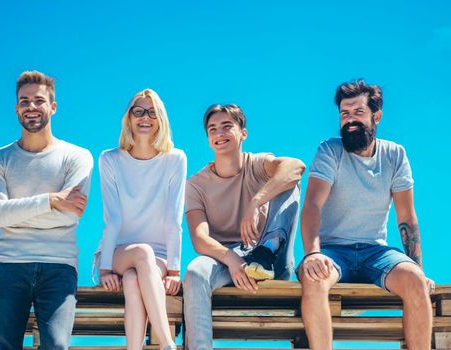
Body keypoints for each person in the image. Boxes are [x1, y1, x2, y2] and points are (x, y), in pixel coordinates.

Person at [299, 80, 435, 350]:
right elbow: (313, 204)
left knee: (415, 281)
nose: (350, 120)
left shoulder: (395, 155)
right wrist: (313, 253)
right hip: (332, 251)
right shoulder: (330, 150)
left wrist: (418, 270)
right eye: (344, 114)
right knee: (313, 279)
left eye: (358, 113)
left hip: (377, 252)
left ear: (377, 116)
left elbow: (406, 217)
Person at [0, 71, 93, 349]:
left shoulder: (77, 156)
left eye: (39, 101)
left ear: (53, 107)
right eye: (24, 101)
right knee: (2, 346)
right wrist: (52, 199)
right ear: (16, 107)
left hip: (59, 266)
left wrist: (15, 213)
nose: (31, 106)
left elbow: (70, 214)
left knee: (56, 345)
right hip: (8, 265)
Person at [183, 103, 305, 349]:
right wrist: (231, 259)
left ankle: (265, 253)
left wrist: (256, 201)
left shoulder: (257, 164)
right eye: (213, 130)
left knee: (288, 181)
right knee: (195, 272)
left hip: (272, 258)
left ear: (243, 133)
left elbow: (296, 166)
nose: (220, 134)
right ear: (208, 139)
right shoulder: (195, 185)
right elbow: (199, 239)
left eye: (227, 127)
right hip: (229, 262)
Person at [94, 89, 185, 350]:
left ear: (161, 120)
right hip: (117, 254)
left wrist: (174, 269)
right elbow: (113, 218)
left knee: (134, 281)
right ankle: (168, 345)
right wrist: (106, 267)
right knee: (140, 254)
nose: (145, 118)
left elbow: (173, 218)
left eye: (152, 112)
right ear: (129, 118)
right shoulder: (109, 159)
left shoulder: (175, 159)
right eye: (139, 111)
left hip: (157, 259)